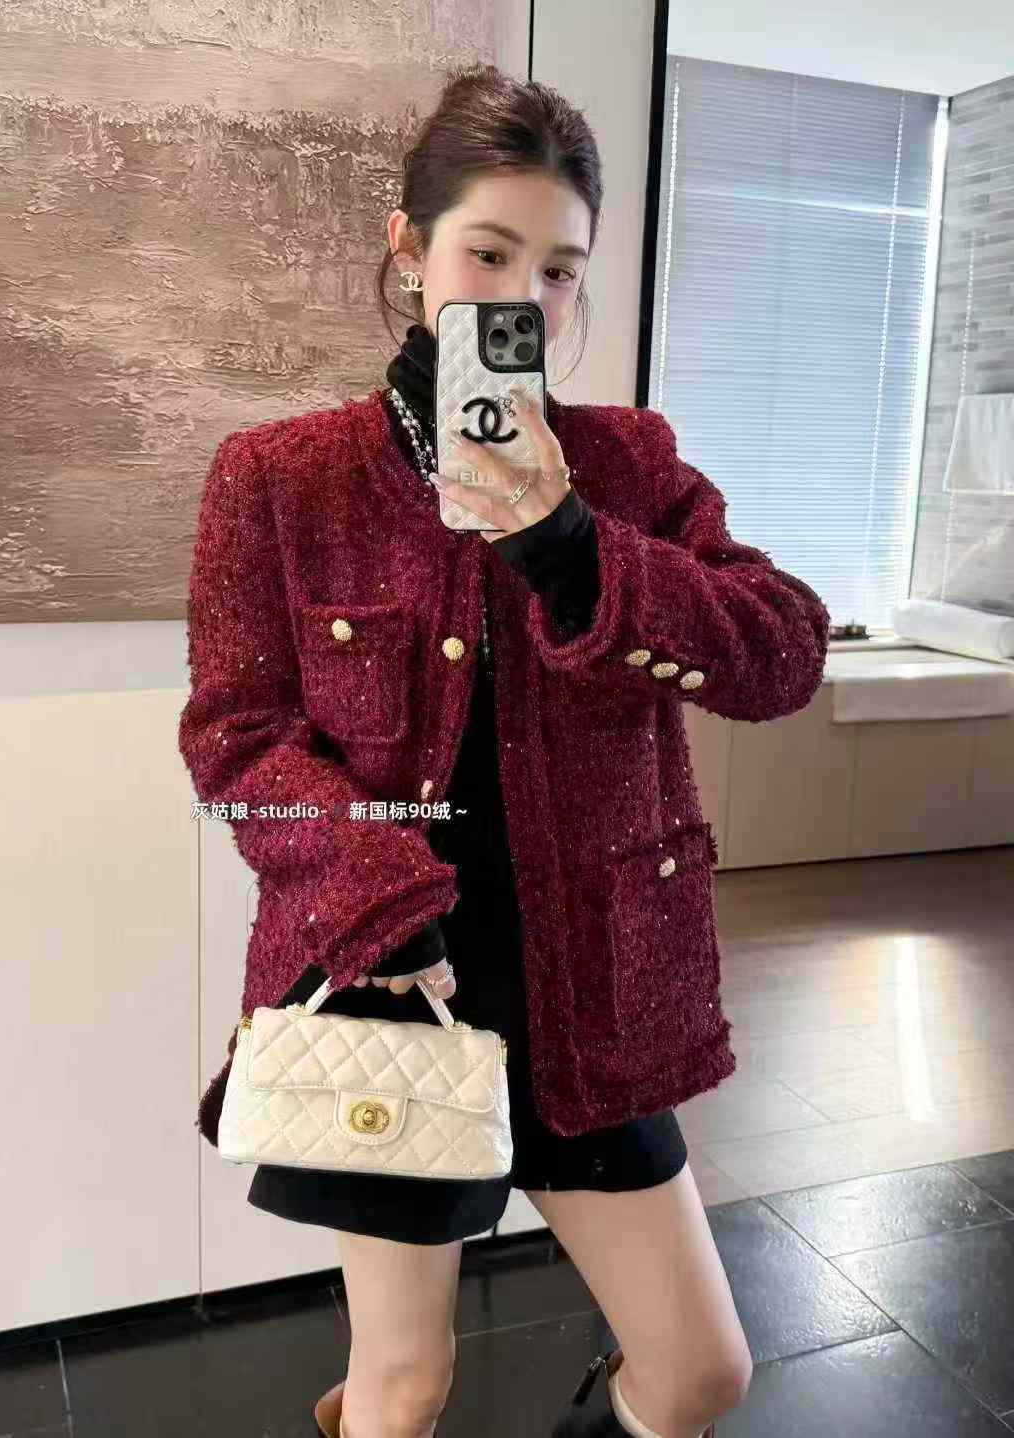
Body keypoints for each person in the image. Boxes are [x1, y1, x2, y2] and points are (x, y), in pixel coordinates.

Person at [179, 60, 830, 1438]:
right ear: (409, 247)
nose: (522, 296)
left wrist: (573, 545)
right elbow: (238, 739)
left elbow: (783, 654)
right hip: (390, 981)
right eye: (489, 253)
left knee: (702, 1371)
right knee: (405, 1382)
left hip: (594, 990)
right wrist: (376, 896)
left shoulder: (630, 464)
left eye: (559, 270)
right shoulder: (281, 478)